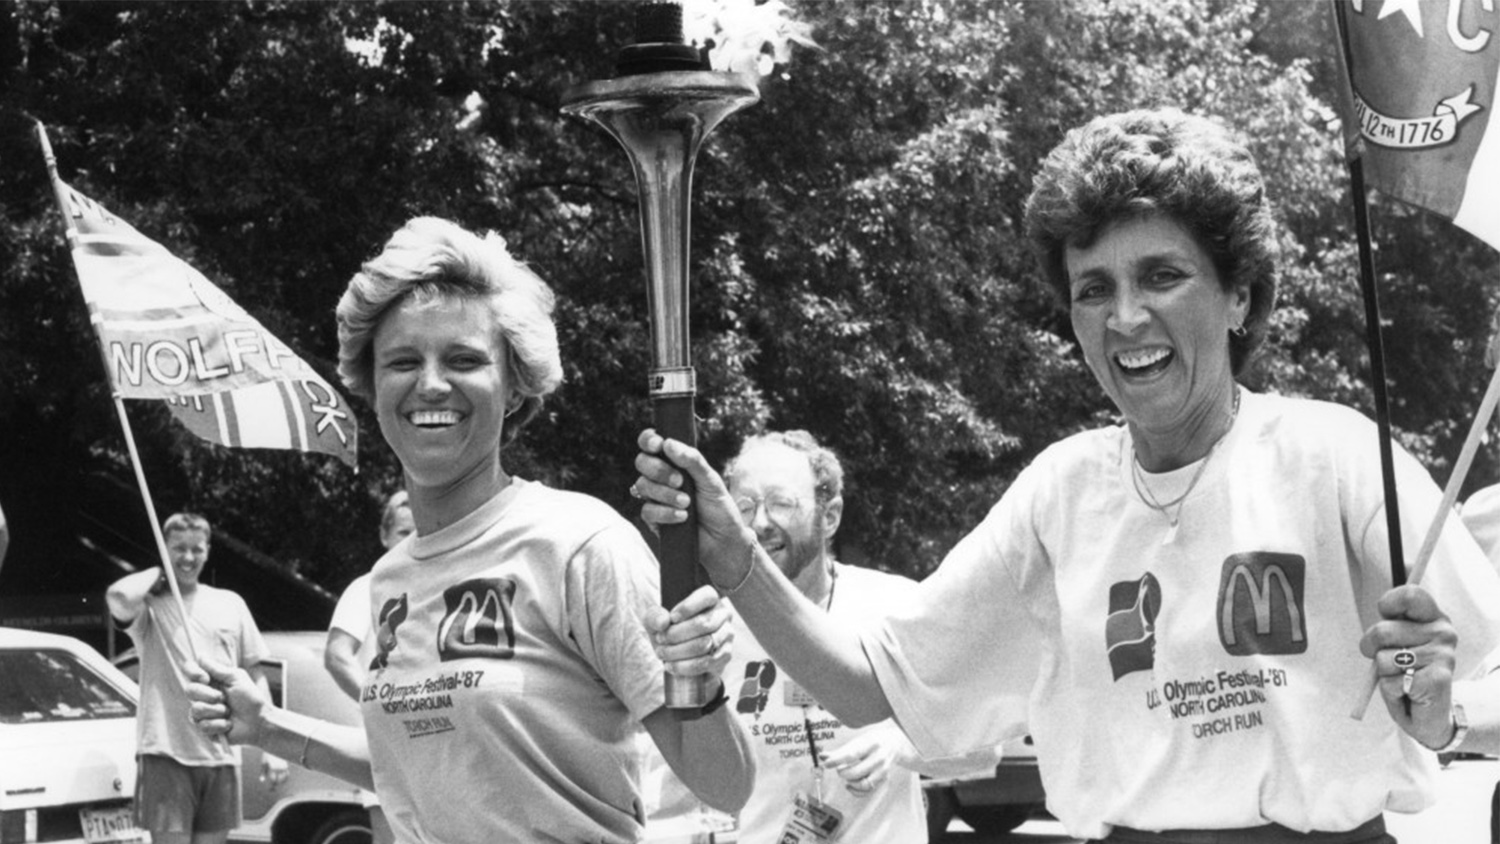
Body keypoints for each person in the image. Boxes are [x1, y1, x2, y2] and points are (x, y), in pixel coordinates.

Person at [632, 108, 1500, 843]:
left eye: (1163, 275)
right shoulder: (1060, 492)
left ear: (1239, 296)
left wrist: (1439, 708)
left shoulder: (1335, 452)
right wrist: (733, 553)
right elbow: (871, 684)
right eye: (1094, 288)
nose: (1126, 317)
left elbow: (1472, 657)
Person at [188, 216, 754, 844]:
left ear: (513, 387)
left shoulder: (576, 544)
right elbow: (424, 772)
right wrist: (269, 727)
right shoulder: (388, 580)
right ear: (372, 384)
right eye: (403, 360)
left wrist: (696, 676)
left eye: (463, 358)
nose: (431, 383)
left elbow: (725, 785)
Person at [645, 430, 1001, 843]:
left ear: (829, 516)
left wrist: (902, 745)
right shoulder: (706, 631)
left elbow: (985, 746)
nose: (760, 523)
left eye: (781, 503)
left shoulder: (895, 605)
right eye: (744, 506)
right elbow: (673, 788)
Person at [106, 511, 277, 844]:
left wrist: (272, 747)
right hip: (166, 753)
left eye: (196, 549)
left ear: (208, 550)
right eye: (178, 548)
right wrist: (160, 570)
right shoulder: (150, 608)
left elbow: (256, 676)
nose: (188, 557)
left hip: (222, 754)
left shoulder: (231, 603)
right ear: (165, 548)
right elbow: (118, 596)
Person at [324, 489, 415, 844]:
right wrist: (381, 705)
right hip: (389, 745)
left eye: (421, 531)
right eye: (403, 534)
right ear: (384, 536)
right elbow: (336, 656)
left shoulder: (441, 588)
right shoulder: (367, 587)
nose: (412, 542)